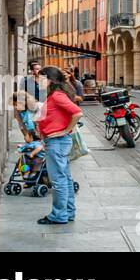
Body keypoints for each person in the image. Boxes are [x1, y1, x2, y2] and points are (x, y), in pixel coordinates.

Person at [34, 66, 82, 225]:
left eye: (40, 77)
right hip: (57, 142)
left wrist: (64, 131)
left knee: (58, 180)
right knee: (65, 179)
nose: (37, 80)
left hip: (57, 142)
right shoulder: (55, 95)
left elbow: (77, 113)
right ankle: (68, 213)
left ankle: (59, 215)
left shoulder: (57, 95)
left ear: (49, 79)